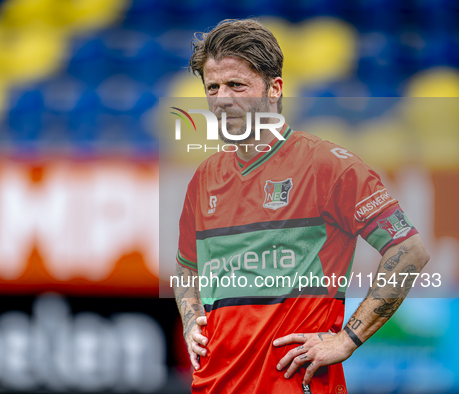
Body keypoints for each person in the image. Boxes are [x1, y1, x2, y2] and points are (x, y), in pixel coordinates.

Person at [173, 19, 430, 394]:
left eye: (236, 85)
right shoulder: (203, 178)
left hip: (295, 384)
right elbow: (185, 267)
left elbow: (410, 251)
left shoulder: (329, 166)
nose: (221, 98)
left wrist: (346, 339)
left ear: (274, 89)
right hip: (214, 384)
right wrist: (190, 316)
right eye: (212, 87)